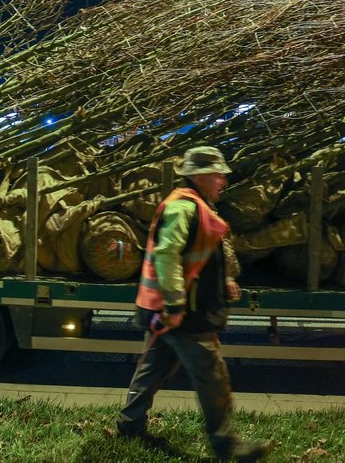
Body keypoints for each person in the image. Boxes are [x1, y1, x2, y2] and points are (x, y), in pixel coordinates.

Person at [117, 146, 268, 462]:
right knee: (213, 377)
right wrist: (175, 306)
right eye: (218, 175)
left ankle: (129, 426)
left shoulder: (194, 206)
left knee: (151, 370)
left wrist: (224, 281)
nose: (223, 182)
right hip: (184, 314)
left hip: (166, 310)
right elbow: (167, 255)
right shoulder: (184, 208)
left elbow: (196, 257)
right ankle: (227, 445)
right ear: (199, 175)